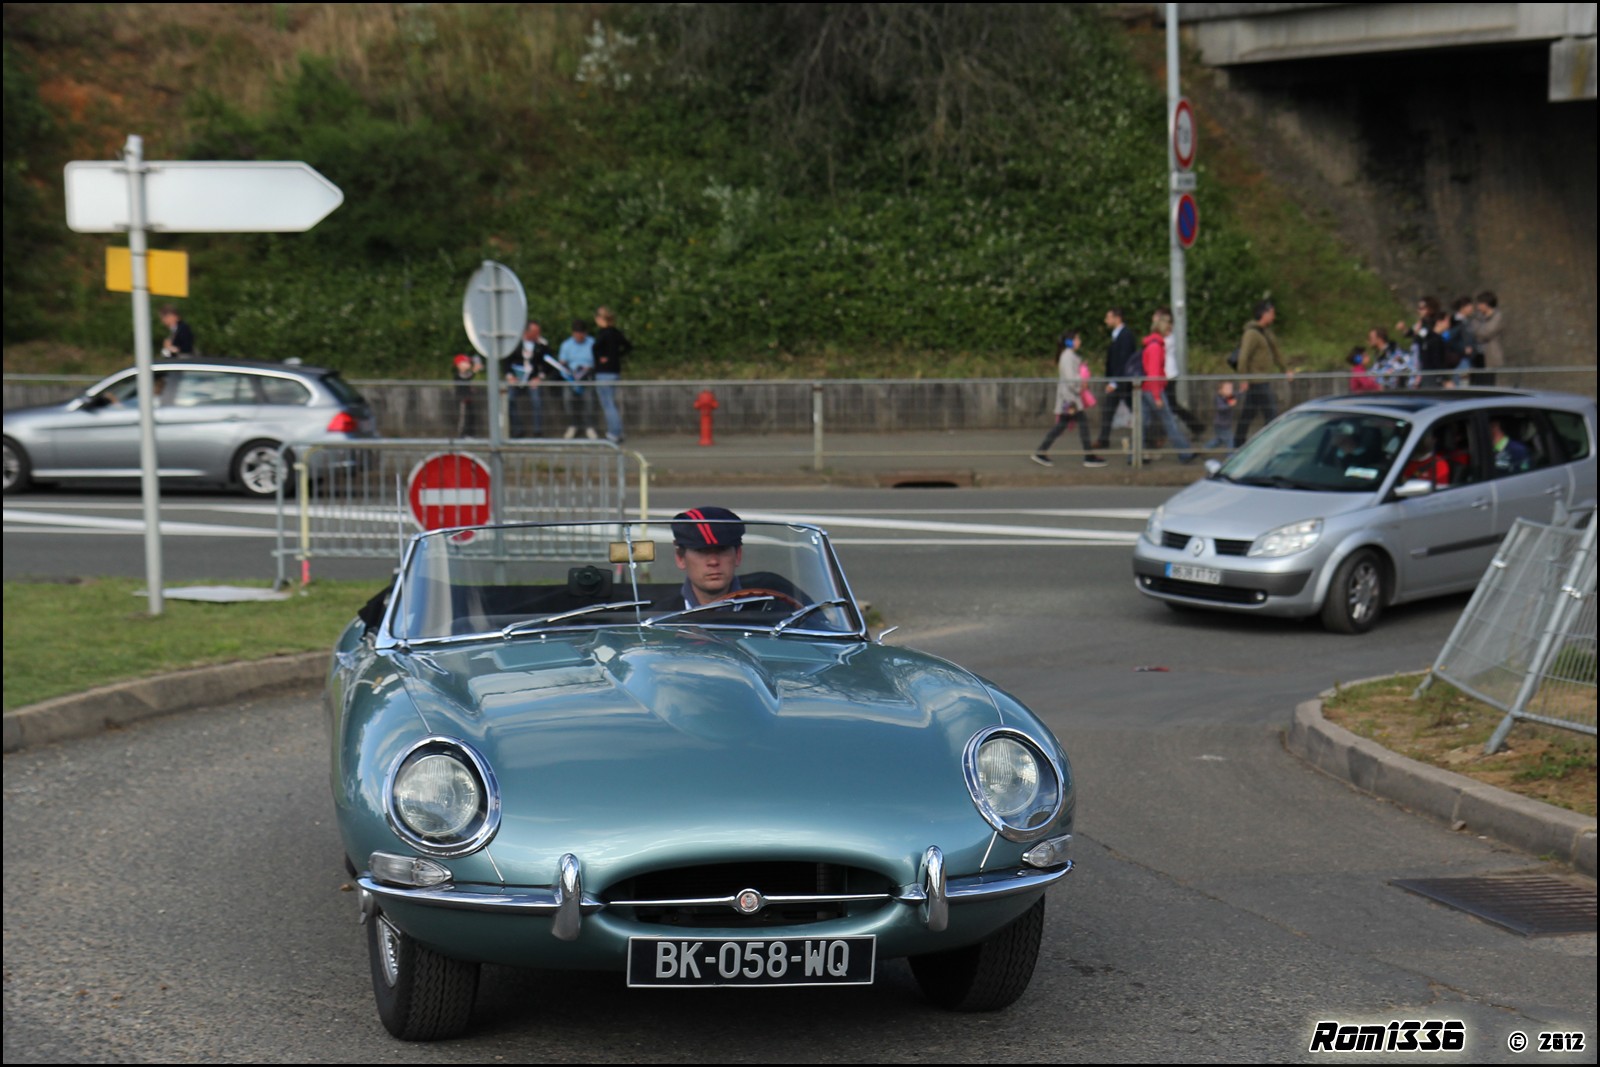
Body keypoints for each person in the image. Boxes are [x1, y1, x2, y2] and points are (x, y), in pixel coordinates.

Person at [1139, 309, 1195, 463]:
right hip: (1153, 389)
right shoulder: (1157, 347)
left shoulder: (1151, 344)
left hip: (1146, 389)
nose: (1170, 332)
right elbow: (1154, 373)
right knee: (1169, 420)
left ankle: (1134, 454)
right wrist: (1157, 396)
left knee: (1142, 423)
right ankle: (1185, 452)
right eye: (1169, 329)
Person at [1232, 300, 1290, 448]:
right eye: (1272, 313)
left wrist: (1285, 369)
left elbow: (1276, 352)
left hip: (1261, 379)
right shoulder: (1251, 333)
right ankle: (1272, 445)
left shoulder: (1266, 333)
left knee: (1248, 414)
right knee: (1270, 413)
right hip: (1257, 381)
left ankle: (1237, 443)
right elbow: (1243, 357)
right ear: (1264, 314)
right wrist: (1243, 379)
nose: (1273, 317)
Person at [1031, 331, 1095, 467]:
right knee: (1081, 424)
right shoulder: (1067, 357)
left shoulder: (1069, 356)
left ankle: (1041, 452)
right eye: (1077, 339)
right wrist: (1082, 380)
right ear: (1069, 342)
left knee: (1062, 426)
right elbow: (1071, 379)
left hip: (1069, 398)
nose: (1080, 342)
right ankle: (1089, 456)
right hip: (1070, 399)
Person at [1089, 307, 1134, 466]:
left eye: (1108, 317)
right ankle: (1103, 438)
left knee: (1133, 408)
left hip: (1122, 381)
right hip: (1117, 380)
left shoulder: (1126, 335)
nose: (1106, 320)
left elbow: (1124, 360)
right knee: (1109, 408)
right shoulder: (1118, 335)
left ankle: (1151, 436)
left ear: (1117, 318)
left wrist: (1114, 382)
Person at [592, 306, 632, 443]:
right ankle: (617, 431)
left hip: (604, 372)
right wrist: (616, 357)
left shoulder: (604, 333)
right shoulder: (615, 332)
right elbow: (628, 346)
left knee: (608, 403)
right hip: (615, 370)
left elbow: (596, 349)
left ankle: (614, 432)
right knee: (611, 403)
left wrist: (604, 358)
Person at [505, 322, 551, 438]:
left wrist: (539, 377)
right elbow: (506, 361)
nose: (538, 335)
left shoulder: (542, 345)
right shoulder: (515, 343)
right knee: (510, 399)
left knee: (537, 401)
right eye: (536, 332)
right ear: (527, 332)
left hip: (532, 380)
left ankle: (537, 431)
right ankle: (517, 429)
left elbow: (548, 364)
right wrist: (510, 376)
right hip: (517, 378)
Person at [558, 319, 598, 439]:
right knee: (568, 400)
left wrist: (588, 369)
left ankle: (589, 426)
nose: (579, 336)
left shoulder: (592, 343)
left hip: (587, 377)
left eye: (581, 333)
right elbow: (562, 362)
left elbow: (596, 362)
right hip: (571, 378)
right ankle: (573, 425)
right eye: (577, 333)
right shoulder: (566, 345)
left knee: (589, 401)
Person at [1474, 290, 1505, 386]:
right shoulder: (1478, 317)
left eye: (1480, 303)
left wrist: (1477, 331)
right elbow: (1472, 329)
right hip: (1477, 355)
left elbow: (1487, 333)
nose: (1478, 306)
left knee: (1490, 382)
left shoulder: (1497, 316)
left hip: (1490, 355)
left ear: (1486, 304)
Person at [452, 353, 485, 437]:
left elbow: (468, 378)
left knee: (471, 418)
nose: (469, 364)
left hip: (468, 399)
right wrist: (474, 370)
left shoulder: (467, 374)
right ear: (459, 365)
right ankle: (461, 435)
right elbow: (466, 377)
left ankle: (470, 434)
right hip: (462, 400)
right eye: (466, 362)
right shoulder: (458, 375)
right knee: (463, 419)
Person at [1204, 380, 1237, 450]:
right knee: (1230, 440)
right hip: (1221, 425)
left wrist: (1241, 391)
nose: (1230, 391)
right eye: (1227, 389)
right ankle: (1230, 456)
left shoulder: (1229, 397)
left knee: (1219, 440)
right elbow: (1221, 408)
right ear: (1220, 391)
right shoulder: (1218, 398)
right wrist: (1230, 405)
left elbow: (1236, 396)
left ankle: (1206, 448)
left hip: (1225, 424)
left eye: (1231, 388)